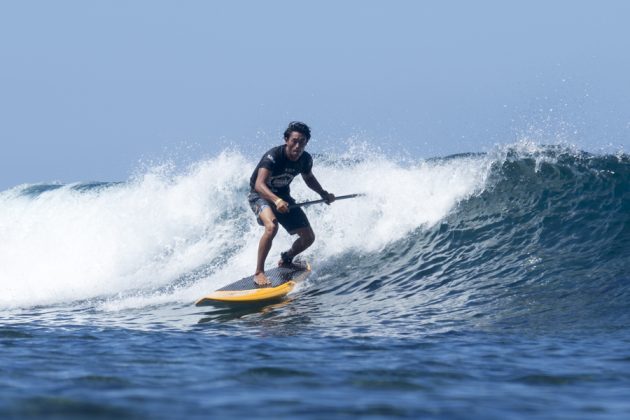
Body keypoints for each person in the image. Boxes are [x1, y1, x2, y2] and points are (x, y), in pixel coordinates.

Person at [248, 121, 335, 286]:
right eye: (294, 141)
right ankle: (259, 271)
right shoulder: (273, 156)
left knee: (308, 237)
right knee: (272, 226)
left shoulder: (305, 159)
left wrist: (323, 194)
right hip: (259, 196)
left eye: (302, 142)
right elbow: (259, 185)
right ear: (286, 140)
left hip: (283, 197)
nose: (297, 146)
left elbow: (308, 178)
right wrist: (276, 200)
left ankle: (286, 259)